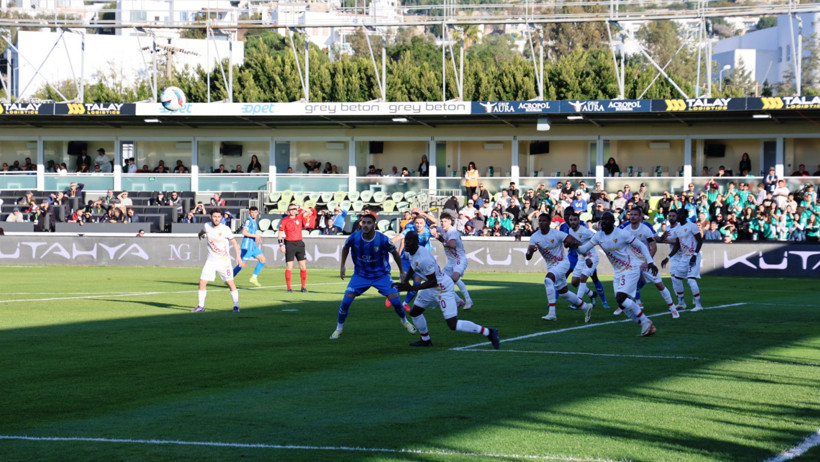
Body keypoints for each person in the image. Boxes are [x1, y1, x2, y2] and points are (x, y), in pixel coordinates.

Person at [393, 231, 499, 349]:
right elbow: (413, 266)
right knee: (414, 313)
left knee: (453, 324)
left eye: (410, 241)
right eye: (406, 240)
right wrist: (406, 281)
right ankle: (425, 340)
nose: (407, 243)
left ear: (416, 242)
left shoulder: (424, 259)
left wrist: (412, 288)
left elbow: (433, 281)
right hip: (431, 288)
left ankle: (489, 332)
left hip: (442, 288)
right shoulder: (411, 252)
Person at [330, 213, 417, 340]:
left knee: (396, 302)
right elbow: (345, 248)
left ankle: (404, 321)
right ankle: (339, 328)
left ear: (374, 225)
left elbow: (395, 253)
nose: (365, 225)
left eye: (369, 223)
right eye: (364, 222)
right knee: (346, 302)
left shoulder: (382, 239)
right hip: (360, 275)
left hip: (381, 276)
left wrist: (402, 272)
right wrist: (342, 266)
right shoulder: (354, 237)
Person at [576, 212, 658, 337]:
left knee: (621, 298)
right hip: (619, 272)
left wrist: (650, 262)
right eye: (601, 219)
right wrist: (574, 245)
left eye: (606, 219)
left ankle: (646, 321)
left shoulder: (622, 233)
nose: (603, 222)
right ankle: (645, 325)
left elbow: (641, 246)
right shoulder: (598, 236)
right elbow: (583, 249)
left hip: (631, 268)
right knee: (621, 303)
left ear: (613, 222)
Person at [525, 212, 593, 322]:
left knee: (548, 280)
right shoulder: (535, 237)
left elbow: (575, 242)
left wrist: (587, 257)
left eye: (544, 221)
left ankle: (552, 313)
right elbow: (528, 257)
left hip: (563, 263)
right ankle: (586, 307)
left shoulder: (557, 234)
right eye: (540, 221)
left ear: (549, 223)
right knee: (564, 293)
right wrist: (530, 252)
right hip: (551, 266)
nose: (541, 223)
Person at [619, 207, 679, 318]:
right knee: (626, 285)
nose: (632, 217)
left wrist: (647, 262)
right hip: (632, 263)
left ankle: (672, 308)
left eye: (635, 215)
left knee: (659, 285)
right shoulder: (625, 230)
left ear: (640, 217)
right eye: (631, 214)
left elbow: (654, 247)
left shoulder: (645, 229)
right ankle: (623, 306)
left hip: (646, 262)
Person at [192, 209, 241, 313]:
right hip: (210, 261)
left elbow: (234, 242)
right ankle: (201, 306)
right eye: (214, 216)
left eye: (218, 217)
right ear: (210, 217)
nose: (216, 219)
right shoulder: (207, 226)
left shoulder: (225, 229)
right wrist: (201, 235)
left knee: (230, 283)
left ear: (221, 218)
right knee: (202, 282)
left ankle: (236, 305)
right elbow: (202, 232)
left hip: (224, 262)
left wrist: (238, 256)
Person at [660, 209, 705, 312]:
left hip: (693, 256)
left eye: (679, 214)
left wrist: (695, 254)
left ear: (685, 215)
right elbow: (677, 245)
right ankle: (681, 303)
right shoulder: (678, 229)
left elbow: (700, 240)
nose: (678, 216)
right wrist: (667, 258)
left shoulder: (692, 226)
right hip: (685, 257)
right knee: (676, 278)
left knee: (691, 279)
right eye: (677, 214)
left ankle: (698, 305)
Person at [436, 213, 474, 310]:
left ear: (450, 222)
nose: (443, 223)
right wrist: (424, 214)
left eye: (445, 221)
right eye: (441, 221)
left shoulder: (452, 231)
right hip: (451, 262)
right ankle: (458, 301)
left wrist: (439, 238)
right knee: (440, 282)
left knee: (454, 277)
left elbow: (452, 245)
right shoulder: (442, 229)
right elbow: (434, 224)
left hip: (459, 259)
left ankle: (468, 300)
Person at [232, 206, 268, 287]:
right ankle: (229, 279)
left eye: (255, 212)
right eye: (252, 212)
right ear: (249, 213)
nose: (253, 214)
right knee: (242, 264)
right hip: (247, 246)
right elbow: (244, 232)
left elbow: (251, 233)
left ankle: (254, 278)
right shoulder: (248, 221)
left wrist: (256, 238)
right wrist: (255, 236)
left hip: (252, 246)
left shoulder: (254, 221)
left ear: (257, 213)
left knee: (263, 260)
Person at [278, 203, 308, 293]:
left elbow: (309, 211)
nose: (293, 211)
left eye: (294, 209)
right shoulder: (285, 220)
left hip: (299, 243)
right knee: (289, 266)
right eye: (291, 209)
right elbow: (280, 233)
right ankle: (289, 288)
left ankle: (303, 287)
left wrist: (299, 207)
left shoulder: (299, 217)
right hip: (290, 244)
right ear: (288, 211)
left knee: (303, 266)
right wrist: (281, 245)